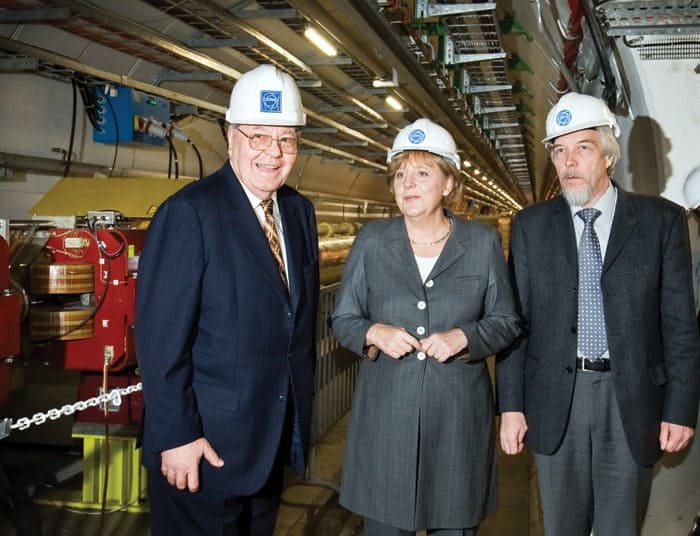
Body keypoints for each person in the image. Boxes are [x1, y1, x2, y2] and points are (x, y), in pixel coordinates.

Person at [497, 92, 700, 536]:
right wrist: (510, 406)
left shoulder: (660, 222)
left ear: (608, 154)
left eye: (582, 147)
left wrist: (681, 408)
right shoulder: (532, 226)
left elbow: (680, 326)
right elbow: (515, 324)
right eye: (559, 150)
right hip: (555, 398)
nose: (569, 161)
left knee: (620, 526)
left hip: (631, 398)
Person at [135, 64, 320, 535]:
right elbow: (161, 342)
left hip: (271, 439)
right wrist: (177, 436)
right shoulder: (190, 213)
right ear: (231, 135)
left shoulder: (298, 213)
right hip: (202, 448)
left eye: (286, 140)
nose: (272, 153)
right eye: (258, 136)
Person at [331, 118, 520, 536]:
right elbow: (342, 318)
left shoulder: (481, 244)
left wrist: (465, 337)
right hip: (385, 422)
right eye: (400, 174)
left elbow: (506, 321)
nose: (408, 184)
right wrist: (372, 333)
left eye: (422, 172)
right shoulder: (372, 242)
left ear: (449, 183)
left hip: (457, 424)